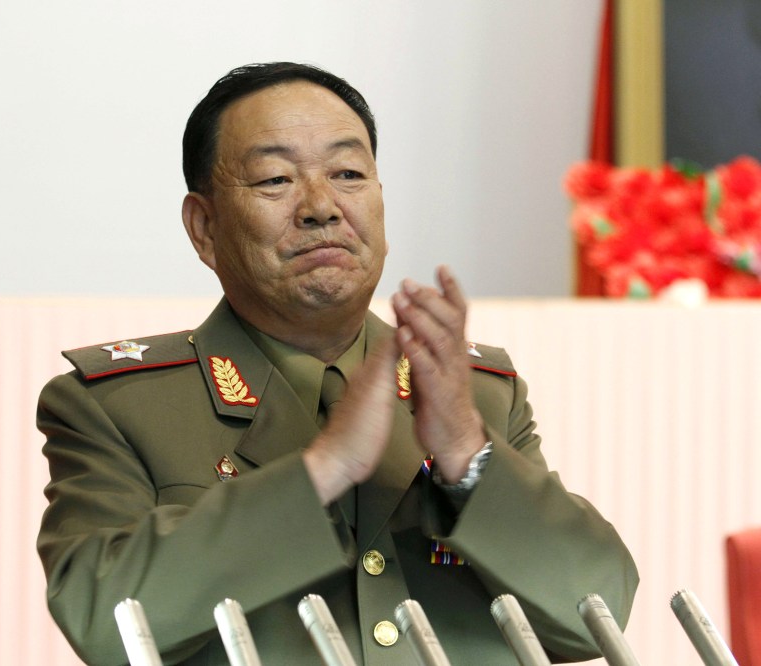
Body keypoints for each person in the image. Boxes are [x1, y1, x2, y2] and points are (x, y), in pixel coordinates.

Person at [36, 62, 638, 665]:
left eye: (348, 173)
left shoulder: (475, 395)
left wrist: (464, 454)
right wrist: (322, 470)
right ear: (205, 227)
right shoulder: (116, 405)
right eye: (275, 179)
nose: (321, 206)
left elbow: (594, 616)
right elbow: (104, 620)